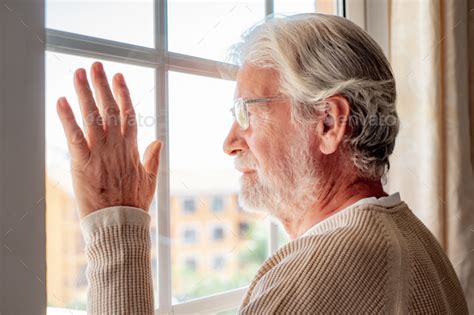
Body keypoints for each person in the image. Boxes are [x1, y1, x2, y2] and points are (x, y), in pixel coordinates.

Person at [57, 13, 468, 314]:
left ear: (328, 123)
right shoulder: (409, 236)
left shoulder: (321, 271)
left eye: (247, 112)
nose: (231, 143)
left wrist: (116, 227)